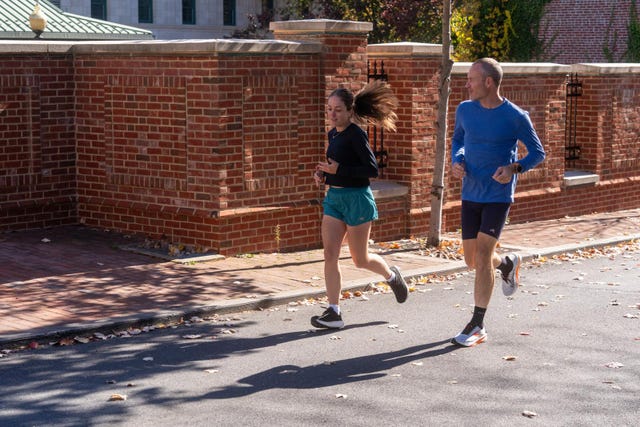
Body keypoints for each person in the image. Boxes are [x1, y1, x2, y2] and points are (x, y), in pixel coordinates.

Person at [450, 58, 546, 347]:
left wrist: (514, 168)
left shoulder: (516, 116)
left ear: (488, 82)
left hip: (497, 195)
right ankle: (507, 263)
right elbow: (458, 141)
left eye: (471, 79)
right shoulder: (465, 110)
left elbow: (537, 153)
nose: (466, 84)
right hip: (471, 191)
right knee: (472, 259)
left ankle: (477, 323)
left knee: (481, 255)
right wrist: (457, 160)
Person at [310, 80, 409, 329]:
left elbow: (371, 169)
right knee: (329, 255)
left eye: (338, 110)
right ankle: (334, 312)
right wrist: (323, 174)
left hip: (357, 200)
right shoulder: (332, 134)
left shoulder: (357, 134)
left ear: (349, 111)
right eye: (329, 109)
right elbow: (335, 166)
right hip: (334, 199)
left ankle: (391, 275)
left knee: (360, 259)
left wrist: (339, 169)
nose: (332, 114)